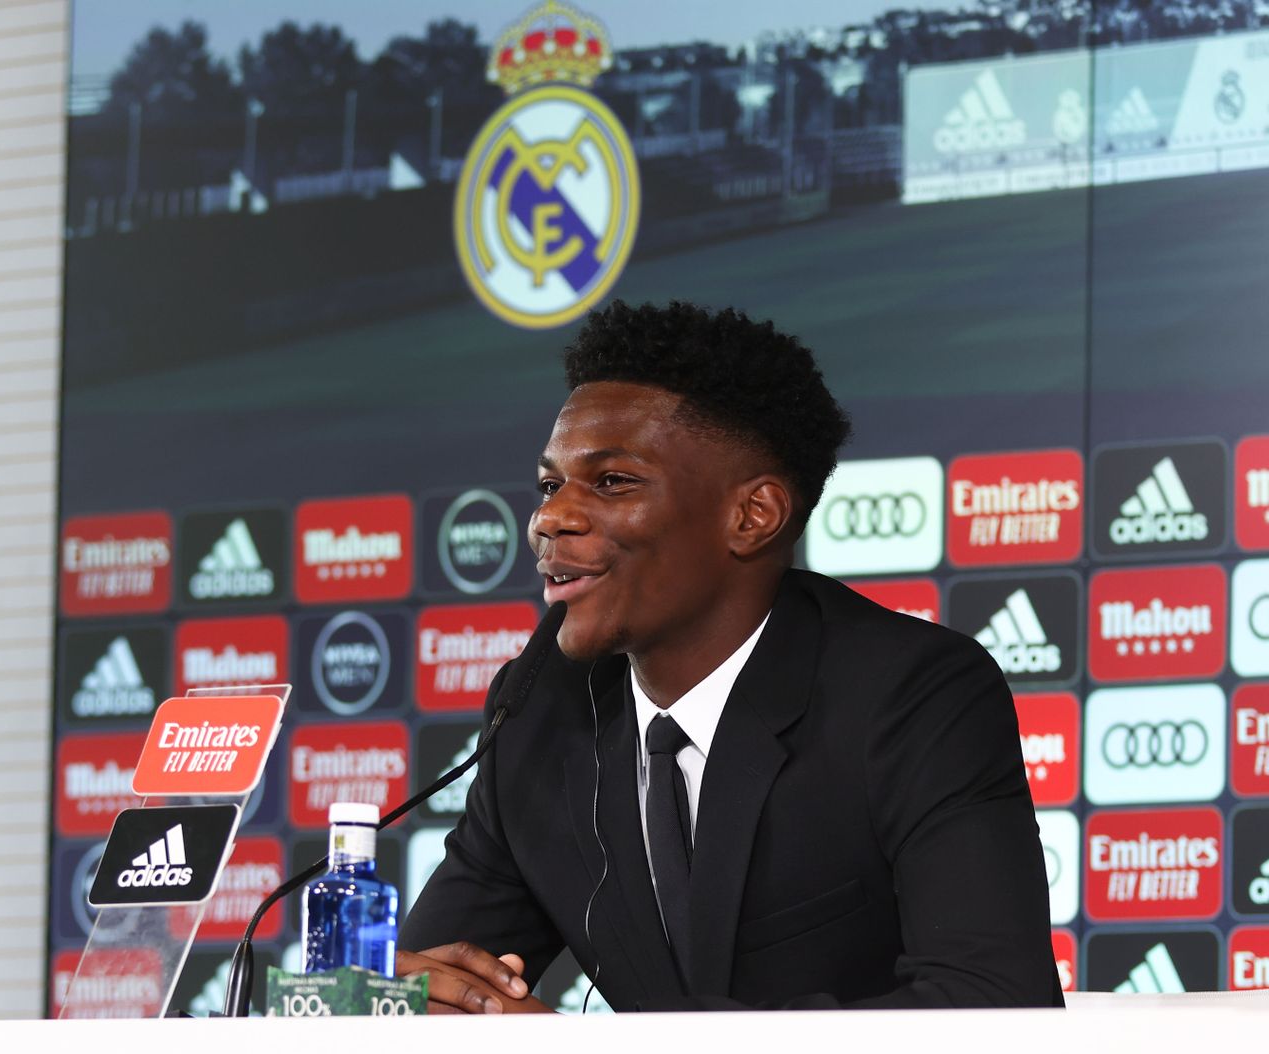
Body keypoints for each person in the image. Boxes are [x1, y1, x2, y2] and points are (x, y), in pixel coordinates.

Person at [398, 300, 1061, 1012]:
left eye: (612, 482)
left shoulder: (912, 696)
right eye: (550, 485)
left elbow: (993, 1004)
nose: (548, 519)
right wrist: (417, 1005)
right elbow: (430, 987)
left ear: (752, 517)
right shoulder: (538, 711)